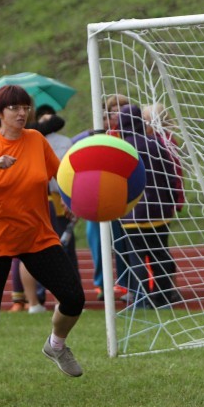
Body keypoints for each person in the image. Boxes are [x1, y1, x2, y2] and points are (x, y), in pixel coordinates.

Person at [0, 85, 86, 404]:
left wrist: (73, 199)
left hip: (37, 235)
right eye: (14, 108)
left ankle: (55, 345)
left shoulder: (36, 139)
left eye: (25, 107)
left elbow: (60, 175)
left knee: (74, 298)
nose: (22, 113)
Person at [117, 104, 182, 307]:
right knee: (160, 254)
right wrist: (172, 200)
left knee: (136, 257)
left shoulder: (119, 148)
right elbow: (169, 173)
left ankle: (142, 299)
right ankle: (163, 297)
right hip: (158, 210)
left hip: (131, 212)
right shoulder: (155, 143)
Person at [18, 104, 81, 314]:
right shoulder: (62, 142)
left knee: (30, 251)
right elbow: (67, 173)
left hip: (30, 202)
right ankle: (62, 299)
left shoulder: (22, 142)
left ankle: (33, 301)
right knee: (61, 250)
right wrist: (69, 197)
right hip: (53, 199)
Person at [74, 95, 130, 302]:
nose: (117, 114)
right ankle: (101, 284)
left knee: (123, 244)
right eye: (113, 110)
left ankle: (124, 283)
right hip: (96, 197)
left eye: (122, 108)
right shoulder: (92, 136)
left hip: (122, 197)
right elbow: (74, 147)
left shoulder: (129, 135)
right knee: (98, 243)